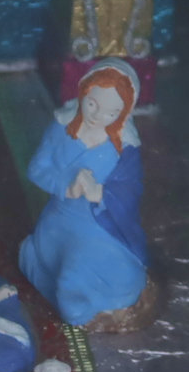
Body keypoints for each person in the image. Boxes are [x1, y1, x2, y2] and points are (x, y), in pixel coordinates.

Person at [18, 60, 151, 331]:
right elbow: (37, 169)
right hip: (59, 220)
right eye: (92, 104)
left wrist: (98, 192)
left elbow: (131, 190)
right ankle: (60, 285)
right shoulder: (62, 128)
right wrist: (66, 185)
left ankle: (86, 299)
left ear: (124, 112)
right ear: (83, 92)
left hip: (100, 225)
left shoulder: (125, 146)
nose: (98, 116)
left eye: (111, 112)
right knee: (49, 263)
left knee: (109, 274)